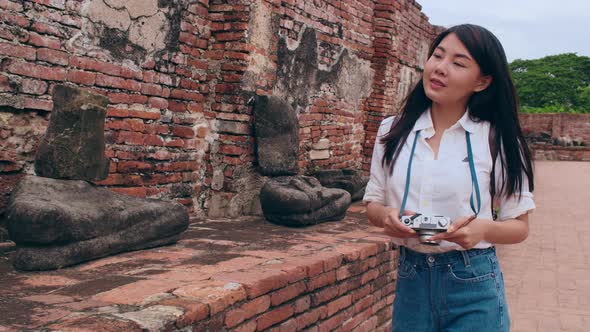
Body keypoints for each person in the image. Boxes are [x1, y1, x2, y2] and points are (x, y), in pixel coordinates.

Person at [363, 24, 535, 331]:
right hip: (410, 279)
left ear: (482, 82)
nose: (440, 68)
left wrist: (482, 230)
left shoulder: (498, 138)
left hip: (474, 280)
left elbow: (519, 227)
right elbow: (373, 205)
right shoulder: (392, 131)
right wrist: (387, 216)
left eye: (458, 63)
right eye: (437, 56)